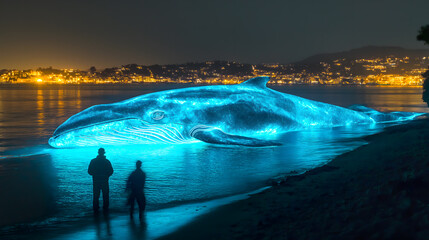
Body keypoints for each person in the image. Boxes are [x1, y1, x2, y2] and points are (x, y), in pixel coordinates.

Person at [88, 148, 114, 213]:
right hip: (105, 181)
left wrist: (95, 175)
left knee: (96, 196)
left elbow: (89, 171)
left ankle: (95, 210)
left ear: (98, 152)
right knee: (105, 196)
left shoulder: (93, 161)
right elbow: (111, 171)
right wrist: (106, 176)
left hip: (96, 181)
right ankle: (105, 210)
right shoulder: (107, 161)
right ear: (104, 153)